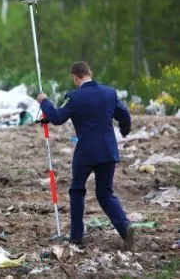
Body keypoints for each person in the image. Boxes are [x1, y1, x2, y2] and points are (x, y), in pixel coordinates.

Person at [36, 61, 134, 250]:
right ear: (90, 73)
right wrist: (125, 131)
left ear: (75, 77)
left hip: (86, 153)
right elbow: (124, 115)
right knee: (105, 193)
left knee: (77, 190)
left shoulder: (74, 97)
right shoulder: (109, 93)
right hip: (108, 150)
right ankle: (124, 227)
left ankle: (76, 237)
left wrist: (44, 102)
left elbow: (57, 118)